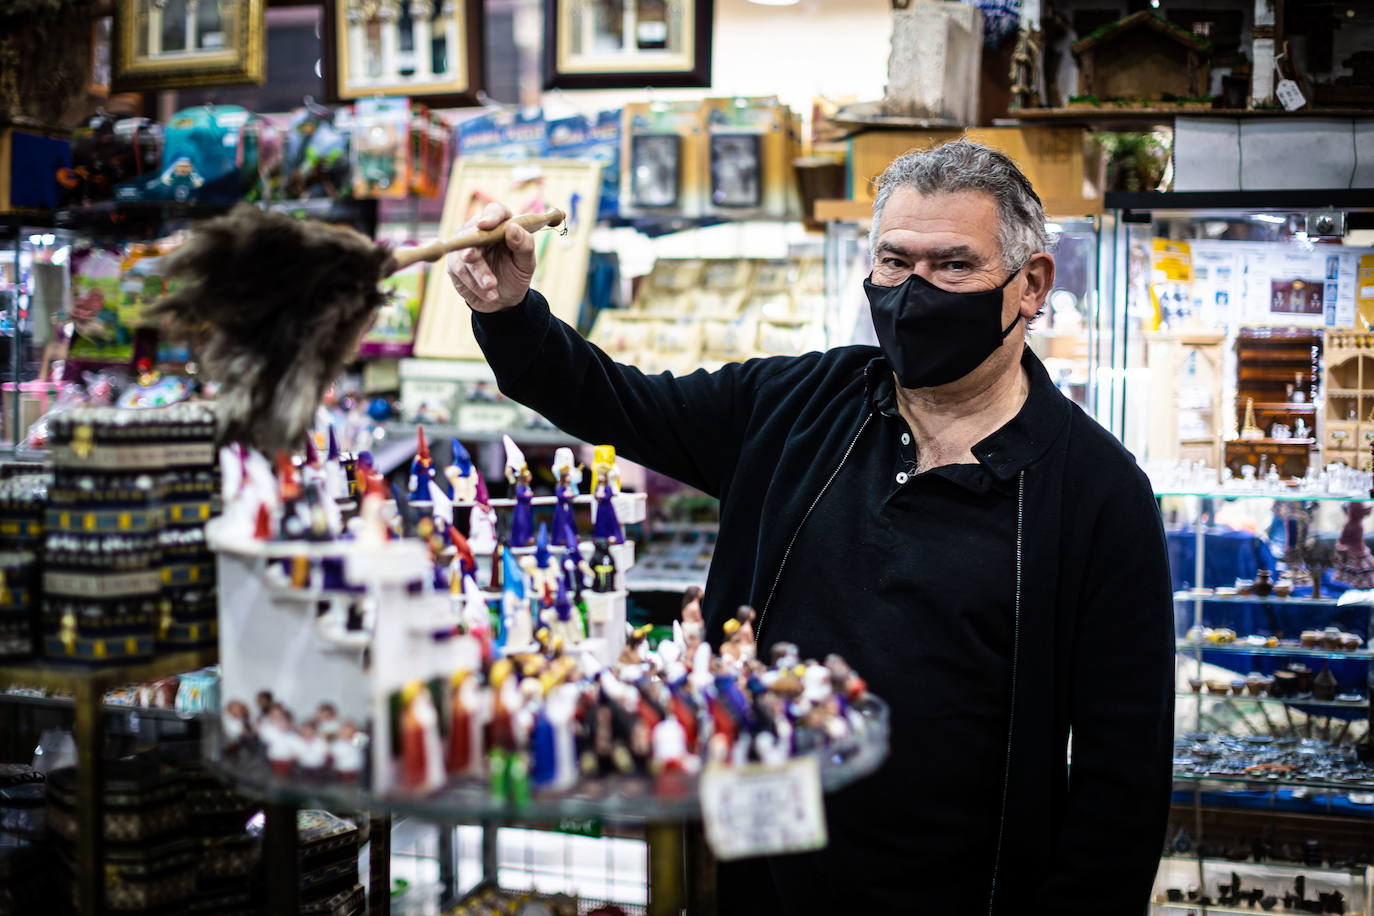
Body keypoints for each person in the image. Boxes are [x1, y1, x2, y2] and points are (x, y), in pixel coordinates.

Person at [448, 139, 1173, 914]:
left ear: (1030, 286)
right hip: (760, 875)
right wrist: (510, 312)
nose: (914, 290)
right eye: (894, 263)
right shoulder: (798, 405)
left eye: (952, 266)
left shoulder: (1098, 493)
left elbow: (1120, 783)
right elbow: (616, 402)